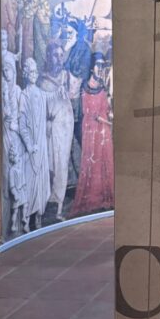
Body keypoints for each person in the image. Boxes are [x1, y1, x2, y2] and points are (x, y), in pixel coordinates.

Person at [71, 51, 114, 216]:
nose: (100, 68)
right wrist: (104, 121)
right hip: (90, 129)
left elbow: (105, 111)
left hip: (103, 130)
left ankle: (104, 198)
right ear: (91, 67)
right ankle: (92, 199)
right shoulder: (84, 87)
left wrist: (108, 119)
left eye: (103, 65)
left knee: (104, 160)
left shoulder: (102, 87)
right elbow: (87, 113)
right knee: (91, 161)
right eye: (98, 65)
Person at [38, 41, 77, 221]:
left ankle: (58, 207)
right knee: (48, 165)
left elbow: (72, 97)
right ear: (48, 57)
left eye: (61, 55)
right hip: (48, 128)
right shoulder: (42, 80)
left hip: (64, 127)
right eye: (55, 55)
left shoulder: (66, 77)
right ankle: (44, 203)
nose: (59, 59)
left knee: (61, 164)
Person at [19, 57, 51, 231]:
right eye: (30, 72)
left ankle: (39, 217)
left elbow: (51, 100)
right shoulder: (24, 96)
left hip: (42, 145)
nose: (33, 74)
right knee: (31, 181)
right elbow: (22, 124)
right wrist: (29, 145)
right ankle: (27, 220)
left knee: (42, 182)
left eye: (35, 71)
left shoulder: (41, 94)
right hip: (31, 148)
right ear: (26, 74)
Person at [1, 59, 26, 235]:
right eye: (4, 71)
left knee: (17, 165)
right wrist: (4, 97)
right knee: (7, 168)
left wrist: (17, 124)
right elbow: (5, 113)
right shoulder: (4, 90)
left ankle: (19, 221)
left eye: (8, 70)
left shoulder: (17, 90)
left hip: (15, 132)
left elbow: (21, 113)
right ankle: (8, 218)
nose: (6, 73)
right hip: (6, 131)